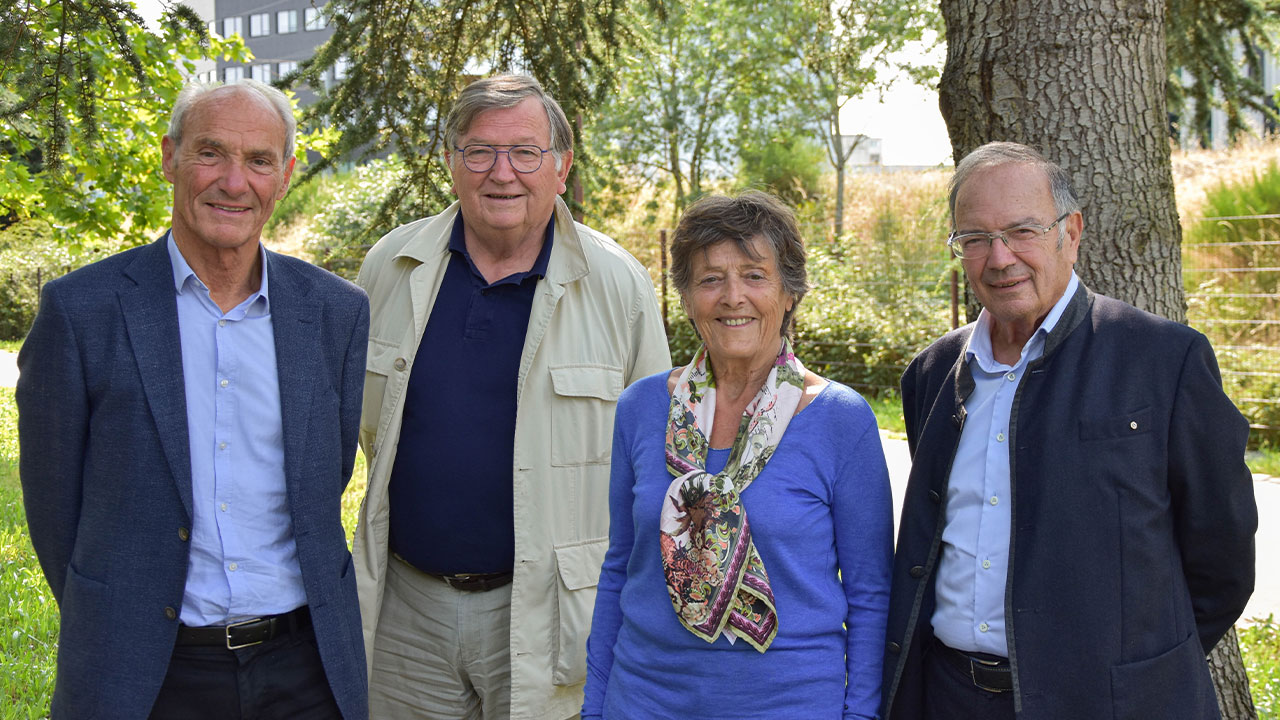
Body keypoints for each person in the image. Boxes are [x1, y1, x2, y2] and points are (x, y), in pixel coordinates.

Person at [17, 79, 369, 720]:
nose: (234, 183)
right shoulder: (82, 310)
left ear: (286, 175)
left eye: (260, 160)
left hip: (307, 670)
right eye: (211, 153)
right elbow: (52, 507)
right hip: (145, 673)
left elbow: (328, 477)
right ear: (169, 157)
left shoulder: (336, 314)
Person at [881, 141, 1258, 720]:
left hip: (1108, 702)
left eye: (1022, 231)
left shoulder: (1163, 361)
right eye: (975, 239)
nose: (1000, 257)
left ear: (1071, 231)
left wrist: (1133, 665)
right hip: (951, 697)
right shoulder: (932, 374)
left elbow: (1223, 559)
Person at [353, 73, 671, 720]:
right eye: (479, 151)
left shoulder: (619, 287)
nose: (502, 172)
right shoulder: (388, 268)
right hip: (406, 613)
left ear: (561, 167)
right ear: (451, 163)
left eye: (525, 152)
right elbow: (359, 431)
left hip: (549, 615)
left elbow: (655, 467)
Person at [582, 191, 894, 719]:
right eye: (710, 279)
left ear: (789, 292)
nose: (732, 297)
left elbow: (871, 595)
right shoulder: (640, 408)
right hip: (642, 700)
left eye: (754, 275)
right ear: (685, 297)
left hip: (790, 702)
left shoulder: (841, 420)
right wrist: (595, 706)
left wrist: (861, 714)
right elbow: (618, 568)